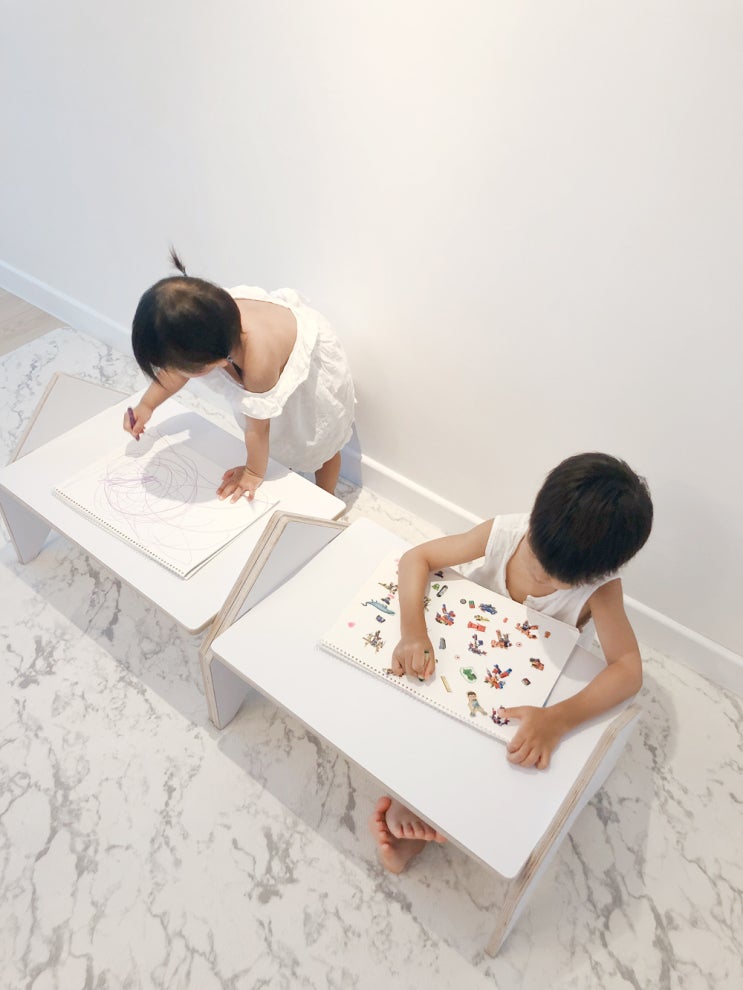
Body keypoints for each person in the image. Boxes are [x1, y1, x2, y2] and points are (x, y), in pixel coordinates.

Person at [369, 452, 653, 873]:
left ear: (595, 574)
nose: (539, 575)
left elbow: (628, 669)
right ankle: (410, 793)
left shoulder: (602, 590)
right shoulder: (504, 533)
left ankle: (434, 807)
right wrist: (413, 630)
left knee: (498, 764)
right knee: (408, 715)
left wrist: (558, 719)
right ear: (535, 519)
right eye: (535, 556)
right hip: (455, 657)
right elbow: (417, 558)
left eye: (556, 579)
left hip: (524, 687)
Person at [126, 250, 355, 497]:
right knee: (283, 441)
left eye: (177, 367)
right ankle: (290, 465)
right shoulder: (206, 317)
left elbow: (258, 428)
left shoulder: (258, 362)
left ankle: (328, 495)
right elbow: (177, 372)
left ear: (216, 361)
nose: (171, 372)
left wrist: (253, 471)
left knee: (321, 446)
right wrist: (147, 405)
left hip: (308, 380)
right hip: (267, 370)